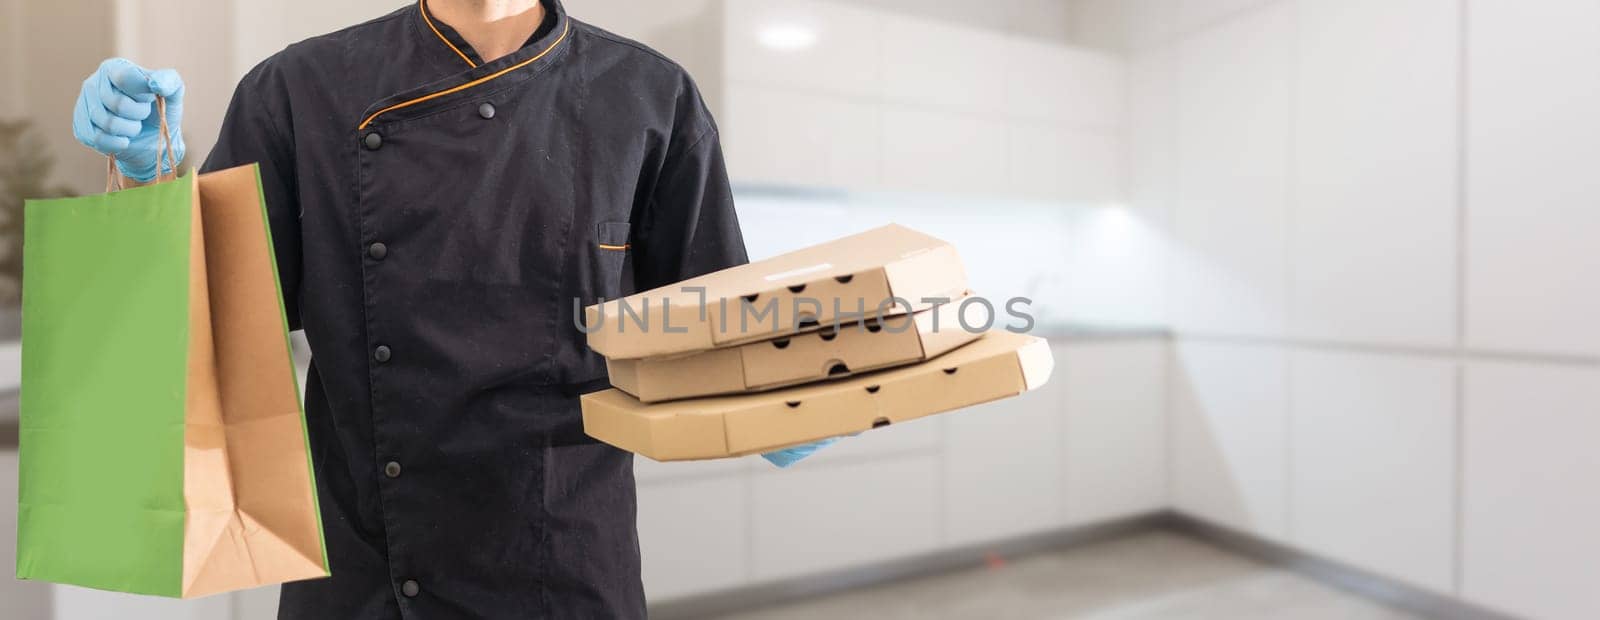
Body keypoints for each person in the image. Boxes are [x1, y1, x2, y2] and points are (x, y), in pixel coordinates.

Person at [71, 1, 836, 617]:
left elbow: (708, 324)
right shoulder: (299, 88)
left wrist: (779, 404)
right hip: (364, 568)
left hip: (563, 566)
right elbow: (207, 320)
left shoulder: (650, 96)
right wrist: (151, 178)